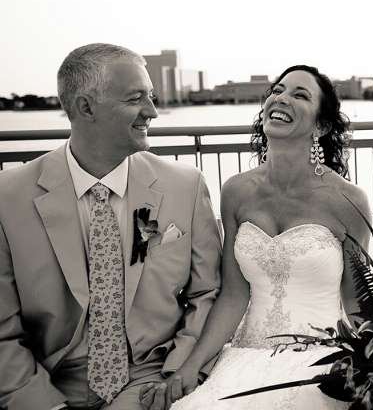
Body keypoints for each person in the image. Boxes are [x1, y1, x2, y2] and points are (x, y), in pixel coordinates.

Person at [0, 43, 222, 410]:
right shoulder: (8, 197)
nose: (152, 111)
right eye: (136, 99)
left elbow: (207, 293)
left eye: (151, 97)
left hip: (148, 379)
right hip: (48, 382)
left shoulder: (186, 186)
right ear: (86, 107)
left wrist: (178, 371)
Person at [155, 65, 371, 410]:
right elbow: (233, 295)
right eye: (277, 90)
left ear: (321, 126)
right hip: (247, 355)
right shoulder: (236, 191)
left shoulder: (348, 200)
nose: (281, 98)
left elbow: (358, 300)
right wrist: (191, 366)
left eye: (300, 95)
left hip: (322, 360)